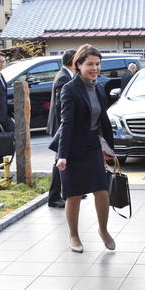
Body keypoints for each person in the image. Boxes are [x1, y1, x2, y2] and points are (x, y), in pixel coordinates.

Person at [50, 44, 116, 253]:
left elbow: (103, 120)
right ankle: (74, 235)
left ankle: (103, 230)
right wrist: (62, 156)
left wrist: (110, 150)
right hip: (72, 148)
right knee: (73, 194)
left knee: (102, 190)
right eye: (90, 64)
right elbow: (66, 123)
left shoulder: (98, 86)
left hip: (92, 146)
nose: (95, 68)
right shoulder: (70, 89)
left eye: (98, 64)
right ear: (78, 65)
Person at [46, 49, 77, 208]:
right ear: (73, 61)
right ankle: (54, 197)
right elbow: (61, 108)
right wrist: (64, 130)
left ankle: (70, 192)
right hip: (61, 128)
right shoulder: (63, 78)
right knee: (59, 162)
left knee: (66, 161)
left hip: (63, 128)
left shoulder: (67, 75)